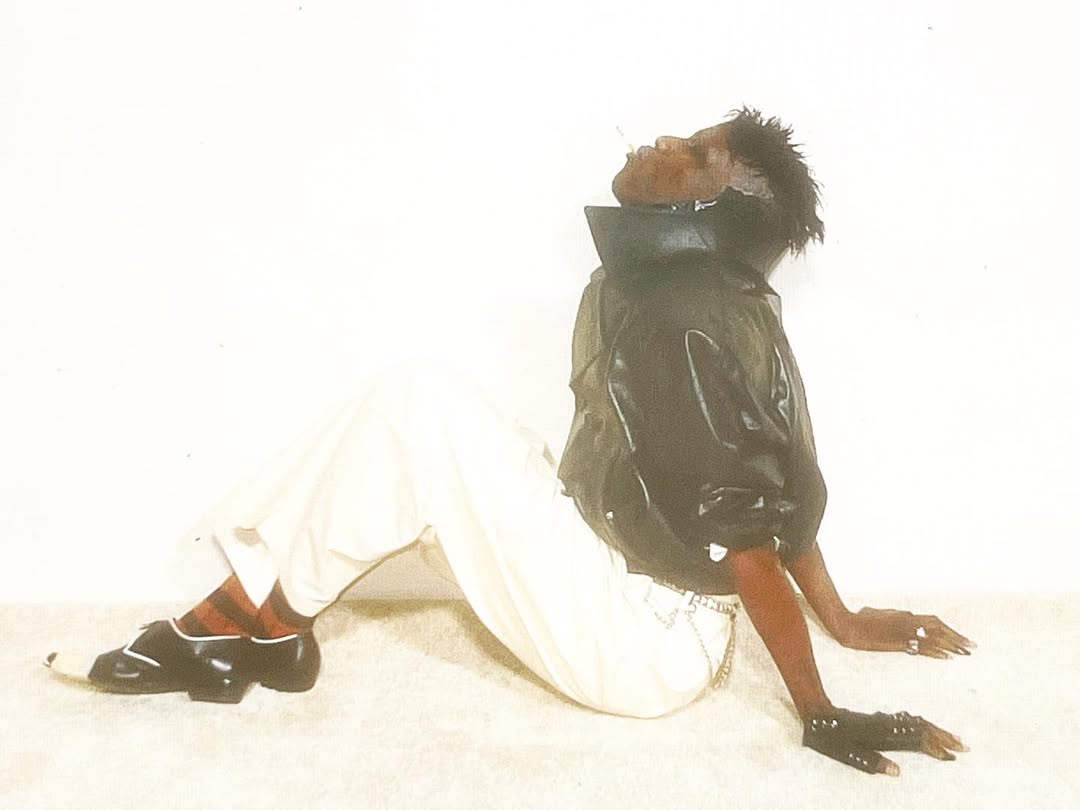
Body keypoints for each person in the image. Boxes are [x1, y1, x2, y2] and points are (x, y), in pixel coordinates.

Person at [47, 108, 971, 775]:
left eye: (695, 155)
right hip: (637, 596)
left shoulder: (685, 314)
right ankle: (268, 622)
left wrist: (818, 711)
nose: (660, 143)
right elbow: (772, 483)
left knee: (422, 405)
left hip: (640, 646)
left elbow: (744, 527)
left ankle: (244, 624)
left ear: (715, 210)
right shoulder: (713, 301)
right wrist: (842, 620)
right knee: (430, 411)